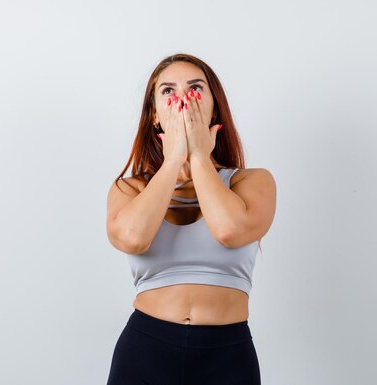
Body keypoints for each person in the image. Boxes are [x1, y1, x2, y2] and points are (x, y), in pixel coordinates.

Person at [105, 53, 277, 385]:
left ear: (214, 107)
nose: (183, 99)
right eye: (168, 91)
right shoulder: (130, 188)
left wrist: (198, 155)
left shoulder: (252, 181)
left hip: (227, 355)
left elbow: (229, 229)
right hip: (145, 350)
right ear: (155, 114)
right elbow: (131, 237)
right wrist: (173, 161)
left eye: (195, 88)